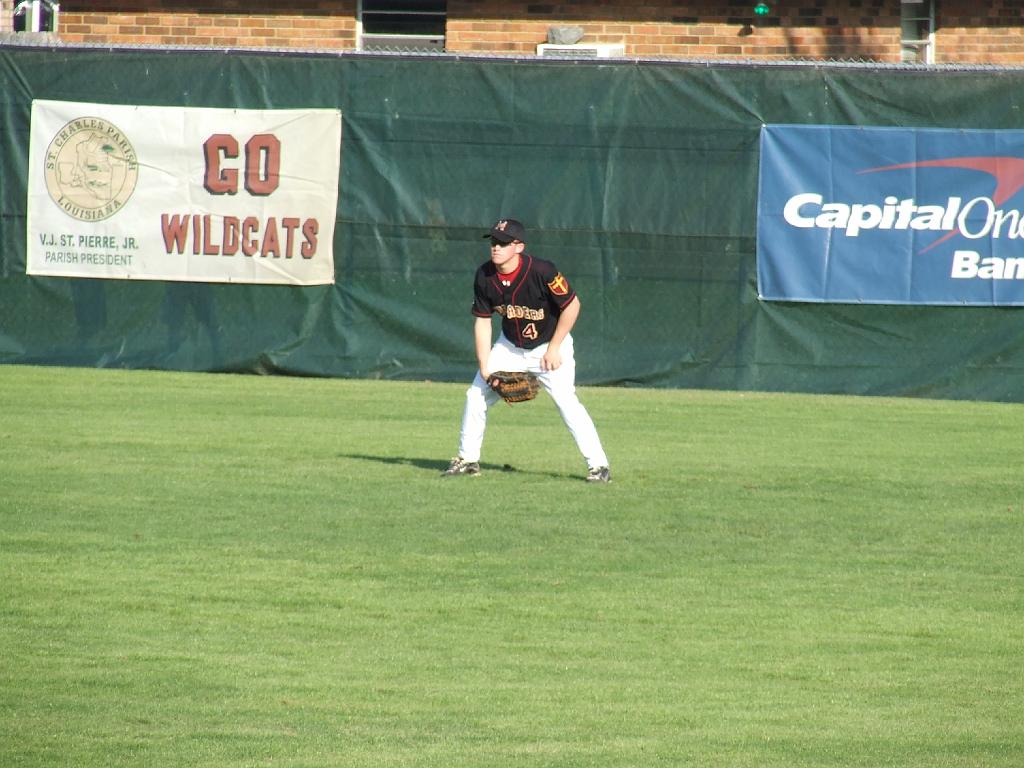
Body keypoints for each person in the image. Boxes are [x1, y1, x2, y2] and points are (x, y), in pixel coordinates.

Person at [443, 218, 611, 483]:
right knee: (475, 395)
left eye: (502, 243)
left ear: (518, 246)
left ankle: (598, 466)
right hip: (510, 347)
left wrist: (555, 347)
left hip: (550, 346)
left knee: (567, 402)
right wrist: (485, 366)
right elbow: (483, 321)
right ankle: (468, 460)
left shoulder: (542, 271)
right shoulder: (484, 275)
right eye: (493, 242)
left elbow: (572, 305)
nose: (495, 247)